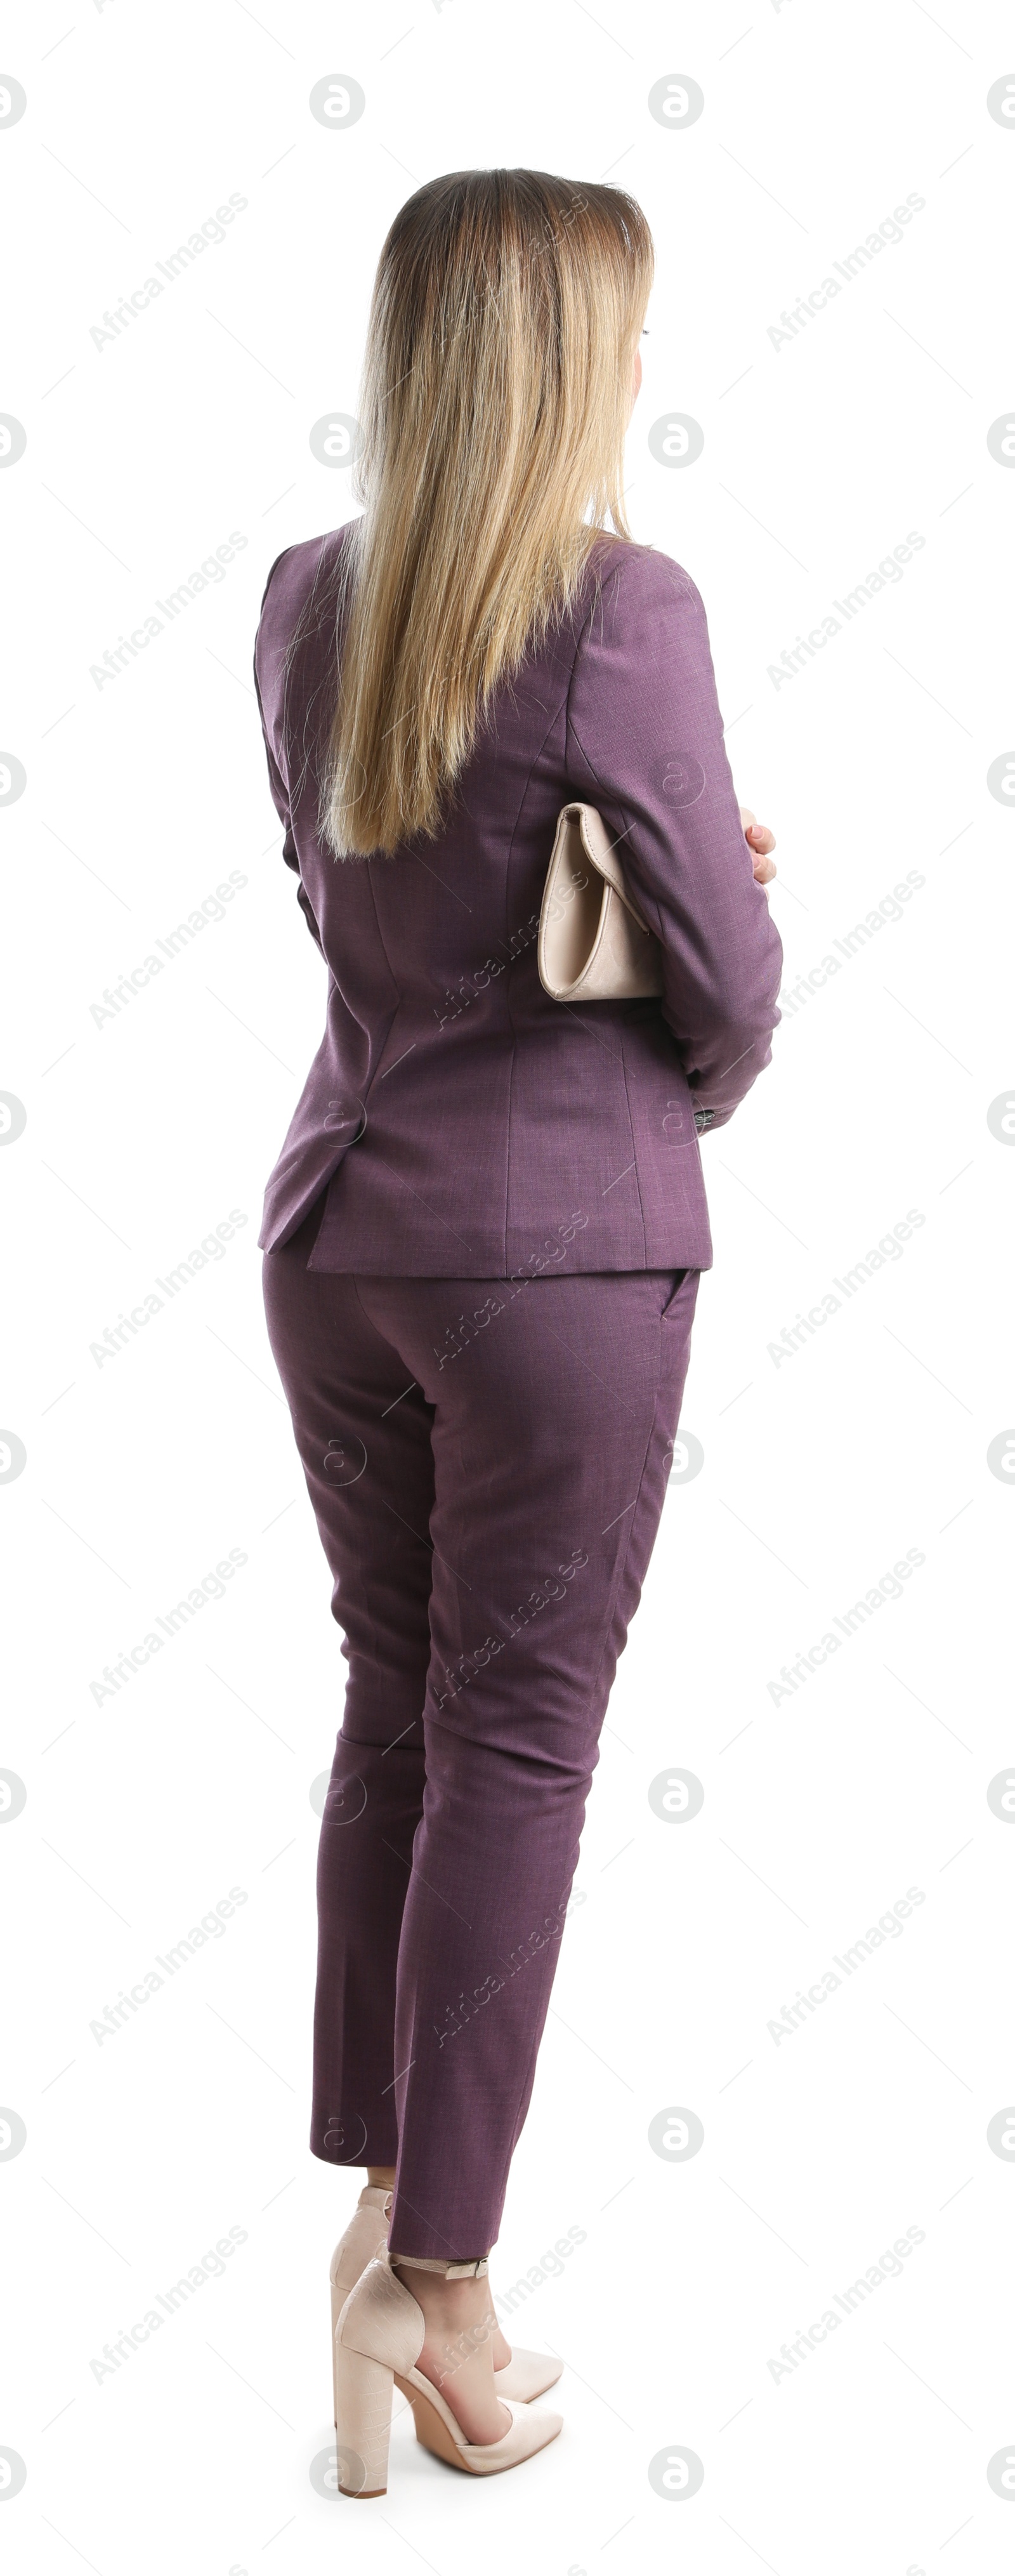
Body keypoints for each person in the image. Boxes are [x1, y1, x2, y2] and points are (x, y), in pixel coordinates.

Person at [256, 166, 782, 2495]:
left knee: (402, 1694)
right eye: (630, 332)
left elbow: (357, 876)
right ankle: (442, 2274)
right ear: (572, 359)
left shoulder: (303, 599)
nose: (648, 369)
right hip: (556, 1255)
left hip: (344, 1221)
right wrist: (703, 1011)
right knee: (525, 1744)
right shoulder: (621, 607)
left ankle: (381, 2209)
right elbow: (728, 984)